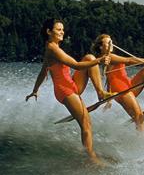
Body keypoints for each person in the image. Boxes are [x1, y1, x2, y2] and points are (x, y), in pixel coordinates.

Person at [25, 18, 111, 164]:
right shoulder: (53, 49)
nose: (62, 32)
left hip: (71, 84)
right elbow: (77, 66)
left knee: (89, 57)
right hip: (65, 90)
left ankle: (101, 93)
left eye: (63, 29)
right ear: (49, 32)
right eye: (58, 29)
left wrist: (35, 90)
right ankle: (91, 158)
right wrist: (100, 60)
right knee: (86, 124)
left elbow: (43, 71)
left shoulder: (51, 47)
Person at [91, 34, 144, 132]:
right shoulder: (109, 57)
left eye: (111, 42)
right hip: (121, 90)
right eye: (108, 43)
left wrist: (109, 100)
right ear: (101, 47)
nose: (111, 44)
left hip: (128, 85)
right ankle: (141, 141)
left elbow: (108, 79)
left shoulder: (106, 59)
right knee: (138, 116)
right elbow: (129, 60)